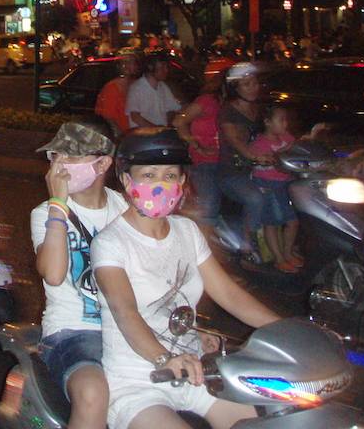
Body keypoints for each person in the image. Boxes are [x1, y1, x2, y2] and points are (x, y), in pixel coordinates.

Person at [92, 128, 280, 429]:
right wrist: (163, 358)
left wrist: (287, 329)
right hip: (138, 380)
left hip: (195, 371)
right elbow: (125, 312)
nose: (160, 184)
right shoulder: (111, 243)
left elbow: (229, 295)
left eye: (170, 175)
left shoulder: (187, 232)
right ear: (127, 181)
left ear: (182, 181)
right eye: (149, 175)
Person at [30, 119, 127, 429]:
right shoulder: (44, 213)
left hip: (127, 327)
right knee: (93, 392)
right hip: (72, 333)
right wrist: (58, 204)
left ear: (103, 164)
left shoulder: (126, 209)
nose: (60, 165)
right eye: (56, 155)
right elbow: (54, 274)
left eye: (71, 156)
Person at [215, 62, 267, 262]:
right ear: (235, 88)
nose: (253, 88)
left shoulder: (259, 109)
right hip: (233, 172)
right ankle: (247, 244)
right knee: (256, 199)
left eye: (254, 83)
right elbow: (235, 140)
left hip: (261, 169)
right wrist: (254, 156)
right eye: (246, 84)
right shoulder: (228, 111)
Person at [172, 66, 225, 234]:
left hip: (226, 161)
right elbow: (179, 122)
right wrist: (195, 145)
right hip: (204, 162)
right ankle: (205, 247)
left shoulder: (233, 104)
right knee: (208, 203)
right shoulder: (207, 101)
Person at [248, 105, 301, 272]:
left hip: (286, 185)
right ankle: (279, 259)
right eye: (281, 120)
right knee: (271, 222)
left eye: (286, 120)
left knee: (292, 221)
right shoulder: (260, 143)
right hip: (267, 185)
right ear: (268, 122)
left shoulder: (286, 137)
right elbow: (272, 158)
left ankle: (287, 253)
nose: (285, 123)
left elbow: (297, 150)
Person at [125, 52, 180, 128]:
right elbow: (135, 117)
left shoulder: (163, 87)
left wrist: (167, 125)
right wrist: (155, 129)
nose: (166, 70)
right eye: (162, 67)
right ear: (150, 67)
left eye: (166, 67)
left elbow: (172, 108)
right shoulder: (136, 88)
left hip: (161, 134)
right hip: (143, 136)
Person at [95, 49, 141, 137]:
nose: (125, 66)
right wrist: (122, 137)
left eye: (130, 62)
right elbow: (108, 118)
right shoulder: (111, 88)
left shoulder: (138, 85)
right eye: (123, 62)